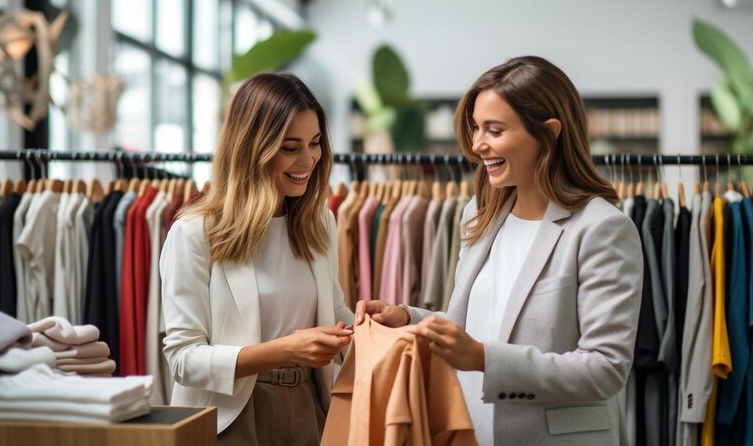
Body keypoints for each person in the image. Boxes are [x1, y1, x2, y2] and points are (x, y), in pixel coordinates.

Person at [356, 56, 643, 446]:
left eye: (494, 129)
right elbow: (476, 323)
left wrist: (483, 359)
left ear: (550, 133)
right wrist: (407, 317)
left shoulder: (601, 228)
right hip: (471, 431)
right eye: (475, 128)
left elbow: (605, 368)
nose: (477, 145)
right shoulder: (481, 213)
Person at [160, 73, 354, 446]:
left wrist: (367, 327)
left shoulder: (319, 222)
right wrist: (281, 351)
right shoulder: (194, 233)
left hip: (310, 406)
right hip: (230, 414)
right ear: (254, 147)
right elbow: (183, 358)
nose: (308, 159)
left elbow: (334, 308)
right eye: (290, 147)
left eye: (314, 144)